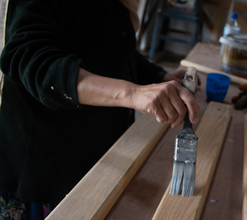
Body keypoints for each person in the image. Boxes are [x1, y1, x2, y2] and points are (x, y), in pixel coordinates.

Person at [0, 0, 200, 219]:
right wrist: (131, 93)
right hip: (43, 169)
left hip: (98, 158)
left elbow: (117, 51)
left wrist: (159, 77)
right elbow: (36, 62)